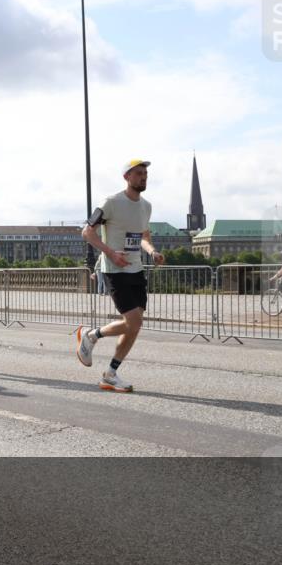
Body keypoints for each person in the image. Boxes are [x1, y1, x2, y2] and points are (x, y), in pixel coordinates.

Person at [76, 159, 165, 392]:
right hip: (115, 269)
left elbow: (144, 236)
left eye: (145, 173)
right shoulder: (111, 202)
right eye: (138, 173)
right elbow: (87, 232)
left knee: (134, 326)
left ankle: (111, 373)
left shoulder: (146, 206)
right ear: (127, 177)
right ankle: (92, 335)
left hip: (136, 269)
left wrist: (153, 252)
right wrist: (111, 253)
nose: (143, 177)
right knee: (133, 321)